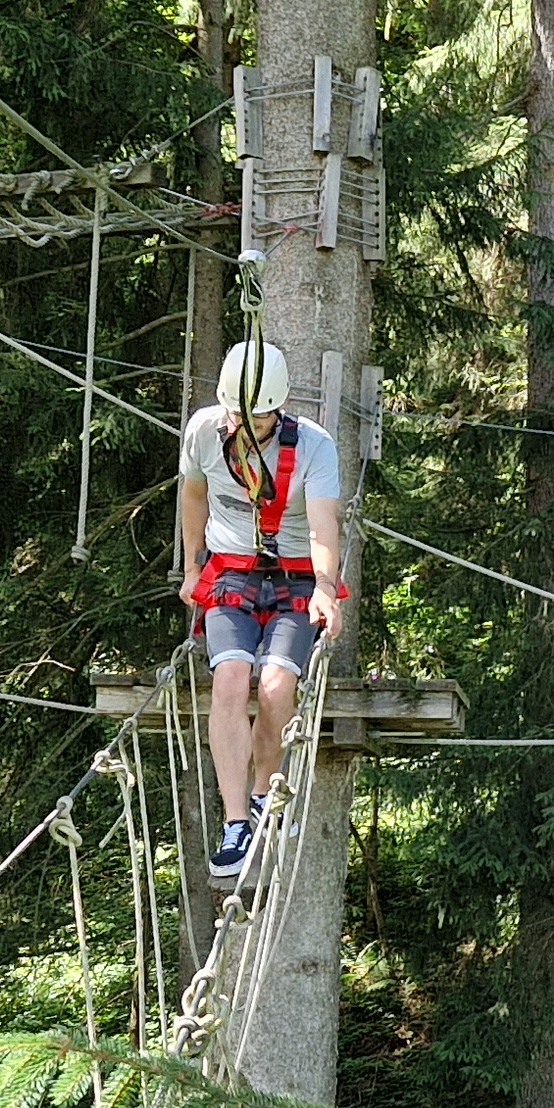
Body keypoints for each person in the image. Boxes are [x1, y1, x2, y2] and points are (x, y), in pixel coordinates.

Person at [177, 340, 347, 882]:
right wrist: (189, 568)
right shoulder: (205, 431)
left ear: (280, 408)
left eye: (258, 416)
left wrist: (324, 586)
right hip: (230, 572)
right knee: (229, 679)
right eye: (237, 413)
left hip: (296, 575)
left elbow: (323, 525)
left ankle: (262, 791)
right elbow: (194, 496)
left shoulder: (314, 448)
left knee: (275, 688)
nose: (245, 425)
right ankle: (234, 823)